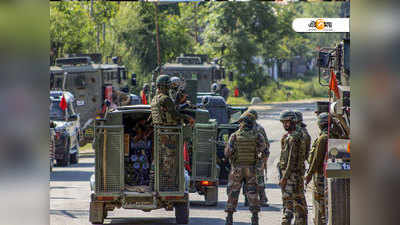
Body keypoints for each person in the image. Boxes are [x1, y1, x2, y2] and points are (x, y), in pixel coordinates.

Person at [224, 111, 267, 225]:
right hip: (251, 169)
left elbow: (227, 153)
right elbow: (264, 150)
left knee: (233, 193)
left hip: (237, 169)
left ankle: (229, 217)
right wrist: (259, 164)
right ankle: (255, 217)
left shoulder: (234, 135)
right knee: (252, 193)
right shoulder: (258, 135)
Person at [150, 75, 195, 183]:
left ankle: (157, 180)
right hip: (169, 133)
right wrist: (187, 118)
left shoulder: (154, 99)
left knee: (161, 158)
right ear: (165, 86)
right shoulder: (165, 99)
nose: (170, 88)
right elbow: (174, 115)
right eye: (168, 86)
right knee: (170, 160)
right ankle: (168, 183)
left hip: (159, 132)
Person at [279, 110, 308, 225]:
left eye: (287, 122)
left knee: (289, 203)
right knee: (298, 202)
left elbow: (291, 159)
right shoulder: (295, 135)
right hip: (294, 174)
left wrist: (284, 177)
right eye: (284, 122)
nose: (285, 125)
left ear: (293, 122)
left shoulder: (294, 137)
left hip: (292, 175)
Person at [305, 113, 329, 225]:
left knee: (321, 201)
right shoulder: (333, 134)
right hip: (325, 174)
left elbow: (316, 159)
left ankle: (323, 221)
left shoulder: (323, 138)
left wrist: (309, 174)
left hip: (320, 175)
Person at [243, 109, 270, 207]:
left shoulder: (242, 128)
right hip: (258, 159)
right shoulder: (259, 129)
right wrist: (264, 158)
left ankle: (247, 199)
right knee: (259, 179)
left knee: (247, 179)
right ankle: (262, 199)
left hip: (245, 159)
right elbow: (266, 145)